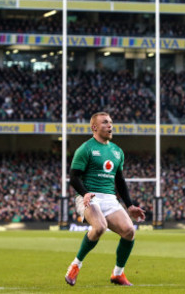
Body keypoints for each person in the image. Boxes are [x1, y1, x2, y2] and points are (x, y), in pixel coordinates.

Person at [64, 112, 146, 286]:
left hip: (109, 198)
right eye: (105, 123)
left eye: (110, 122)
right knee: (100, 227)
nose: (110, 125)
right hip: (89, 196)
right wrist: (85, 192)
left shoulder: (117, 151)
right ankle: (75, 265)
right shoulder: (85, 149)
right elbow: (73, 177)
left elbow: (119, 180)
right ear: (94, 127)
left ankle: (117, 274)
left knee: (129, 231)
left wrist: (129, 205)